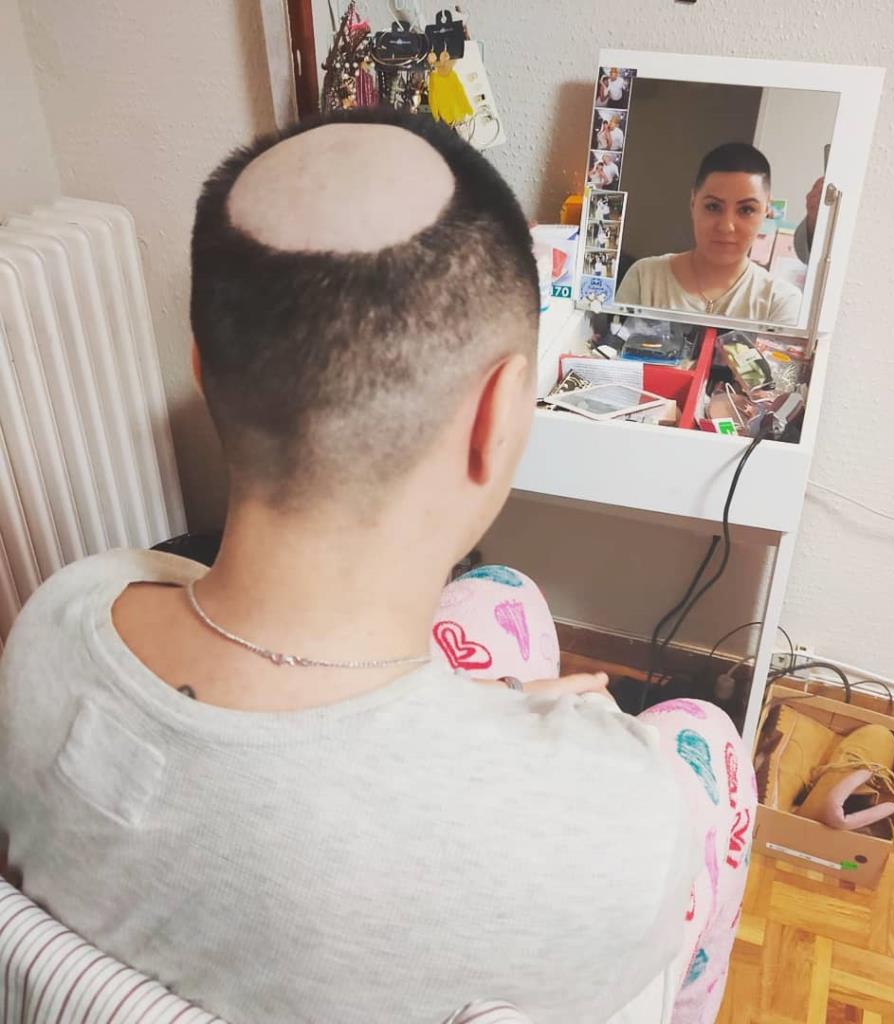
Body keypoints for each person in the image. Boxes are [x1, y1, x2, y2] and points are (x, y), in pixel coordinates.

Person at [0, 109, 753, 1024]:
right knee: (705, 738)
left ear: (202, 370)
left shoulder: (57, 616)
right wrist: (571, 741)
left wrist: (498, 708)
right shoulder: (614, 823)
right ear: (497, 415)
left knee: (499, 597)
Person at [617, 142, 803, 324]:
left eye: (746, 210)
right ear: (693, 203)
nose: (726, 226)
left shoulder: (780, 302)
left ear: (766, 211)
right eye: (713, 207)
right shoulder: (645, 278)